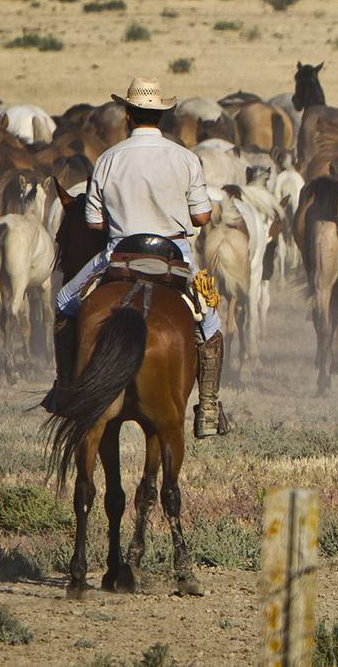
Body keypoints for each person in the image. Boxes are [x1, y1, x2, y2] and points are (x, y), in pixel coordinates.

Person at [48, 77, 227, 438]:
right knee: (210, 324)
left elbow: (94, 221)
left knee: (64, 300)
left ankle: (67, 388)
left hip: (120, 255)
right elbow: (203, 217)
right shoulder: (186, 159)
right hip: (175, 258)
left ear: (128, 115)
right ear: (161, 116)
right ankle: (208, 405)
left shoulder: (108, 159)